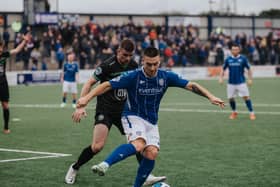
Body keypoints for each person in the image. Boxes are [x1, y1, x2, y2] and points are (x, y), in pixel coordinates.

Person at [74, 47, 225, 187]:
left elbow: (191, 85)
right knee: (139, 144)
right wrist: (86, 99)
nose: (152, 68)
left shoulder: (165, 76)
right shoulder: (133, 76)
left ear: (159, 62)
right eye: (148, 64)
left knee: (151, 153)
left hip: (151, 121)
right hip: (132, 116)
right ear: (142, 62)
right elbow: (106, 85)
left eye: (155, 64)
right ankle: (105, 164)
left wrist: (210, 96)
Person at [65, 40, 166, 185]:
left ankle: (146, 175)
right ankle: (75, 167)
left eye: (130, 55)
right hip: (105, 110)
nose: (127, 58)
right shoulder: (107, 65)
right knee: (97, 146)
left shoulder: (133, 65)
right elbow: (89, 83)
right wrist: (81, 106)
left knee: (139, 142)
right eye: (124, 54)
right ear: (118, 51)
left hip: (125, 111)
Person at [0, 33, 31, 134]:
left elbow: (17, 50)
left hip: (3, 83)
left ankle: (6, 127)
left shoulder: (4, 55)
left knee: (5, 105)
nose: (1, 49)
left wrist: (25, 41)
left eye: (1, 47)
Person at [219, 43, 256, 120]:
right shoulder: (228, 59)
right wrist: (221, 78)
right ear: (231, 50)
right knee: (231, 98)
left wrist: (250, 79)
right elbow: (223, 69)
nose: (234, 51)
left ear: (239, 50)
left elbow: (249, 69)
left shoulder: (243, 58)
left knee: (246, 97)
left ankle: (251, 113)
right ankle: (234, 112)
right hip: (231, 83)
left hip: (241, 82)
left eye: (236, 49)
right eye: (233, 49)